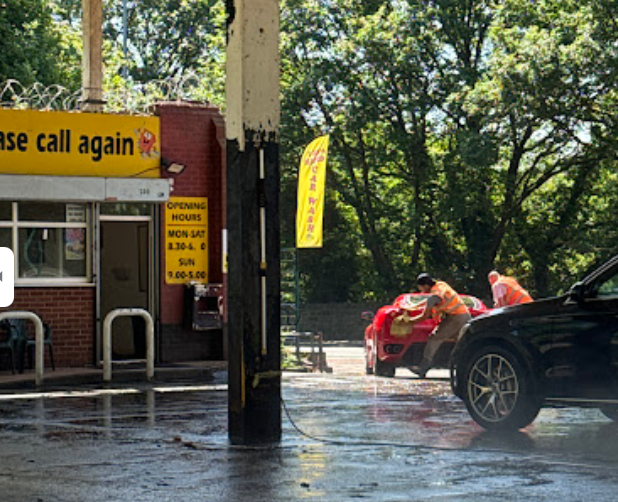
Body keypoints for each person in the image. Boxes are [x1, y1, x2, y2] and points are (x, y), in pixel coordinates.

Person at [400, 273, 471, 379]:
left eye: (421, 288)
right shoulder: (440, 285)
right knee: (459, 342)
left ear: (426, 285)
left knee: (434, 338)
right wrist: (413, 306)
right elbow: (429, 301)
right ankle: (463, 367)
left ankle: (424, 367)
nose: (421, 291)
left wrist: (408, 322)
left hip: (456, 318)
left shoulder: (435, 295)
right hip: (464, 316)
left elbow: (425, 315)